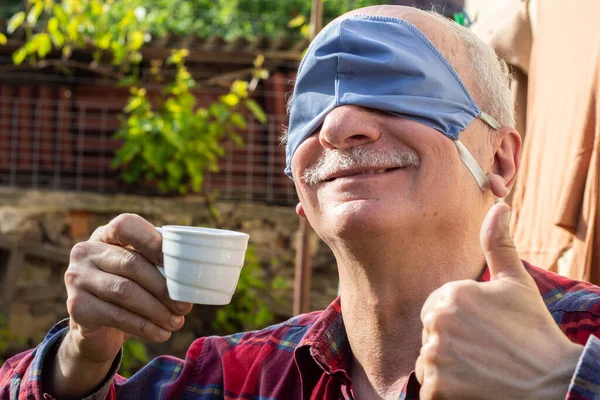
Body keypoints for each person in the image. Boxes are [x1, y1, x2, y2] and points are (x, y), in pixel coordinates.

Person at [2, 5, 600, 400]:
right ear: (299, 187)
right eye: (312, 108)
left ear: (500, 159)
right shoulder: (241, 379)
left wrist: (567, 384)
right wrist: (80, 355)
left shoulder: (586, 335)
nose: (338, 126)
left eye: (403, 89)